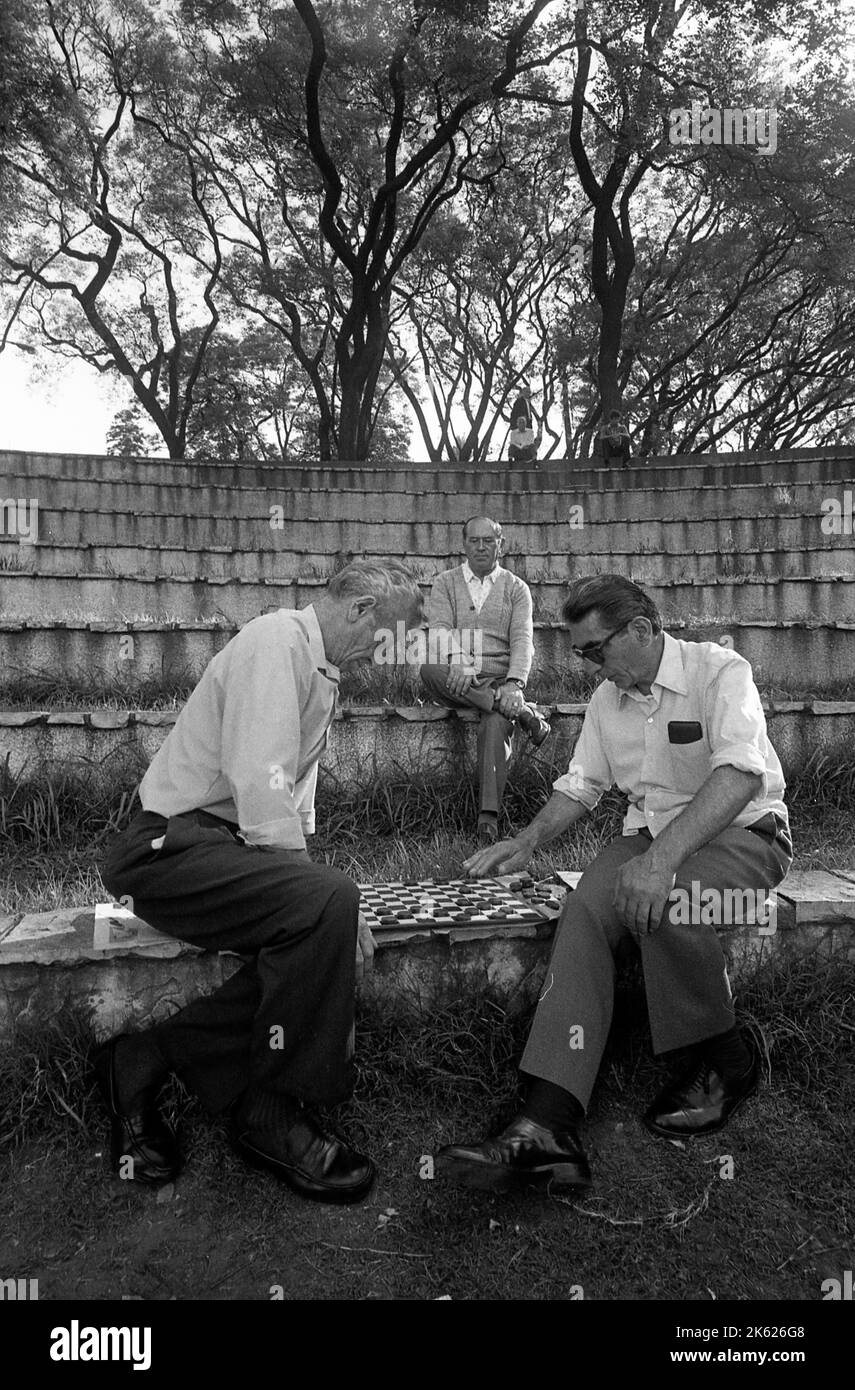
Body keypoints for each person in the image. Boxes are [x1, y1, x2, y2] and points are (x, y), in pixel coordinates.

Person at [434, 573, 792, 1192]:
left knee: (670, 902)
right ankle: (546, 1129)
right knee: (586, 914)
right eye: (580, 654)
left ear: (642, 630)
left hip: (743, 834)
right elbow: (583, 785)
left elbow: (740, 775)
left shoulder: (719, 670)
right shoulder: (608, 699)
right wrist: (527, 841)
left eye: (596, 649)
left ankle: (728, 1057)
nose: (591, 666)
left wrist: (660, 864)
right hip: (649, 836)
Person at [96, 560, 424, 1204]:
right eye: (388, 636)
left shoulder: (319, 670)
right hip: (164, 849)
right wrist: (326, 899)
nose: (386, 656)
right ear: (360, 610)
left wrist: (318, 898)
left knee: (320, 922)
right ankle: (268, 1115)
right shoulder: (277, 642)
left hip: (216, 845)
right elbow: (263, 788)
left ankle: (144, 1059)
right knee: (329, 904)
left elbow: (295, 807)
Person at [420, 516, 551, 845]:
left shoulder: (516, 588)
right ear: (463, 545)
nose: (481, 547)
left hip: (500, 676)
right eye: (474, 541)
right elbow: (438, 628)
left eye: (488, 541)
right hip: (455, 673)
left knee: (494, 722)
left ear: (500, 546)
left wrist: (514, 685)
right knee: (427, 669)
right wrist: (458, 660)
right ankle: (523, 714)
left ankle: (487, 819)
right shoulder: (445, 583)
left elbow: (522, 640)